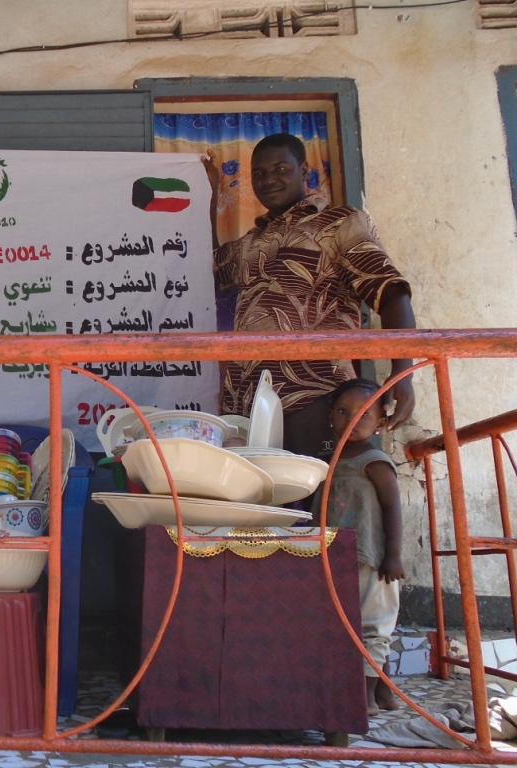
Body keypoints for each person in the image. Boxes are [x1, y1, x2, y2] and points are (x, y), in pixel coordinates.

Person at [204, 134, 416, 460]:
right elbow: (208, 266)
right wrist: (207, 194)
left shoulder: (338, 223)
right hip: (246, 406)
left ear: (303, 169)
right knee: (260, 494)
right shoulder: (249, 242)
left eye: (280, 169)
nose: (268, 179)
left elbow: (390, 293)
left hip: (316, 394)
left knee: (319, 491)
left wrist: (403, 374)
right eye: (259, 173)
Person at [313, 377, 403, 715]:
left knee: (373, 625)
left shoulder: (374, 461)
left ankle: (365, 699)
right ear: (330, 416)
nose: (352, 419)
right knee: (351, 623)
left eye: (364, 413)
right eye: (343, 411)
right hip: (338, 557)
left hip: (370, 559)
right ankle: (384, 692)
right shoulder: (328, 461)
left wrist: (393, 555)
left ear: (379, 422)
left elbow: (393, 508)